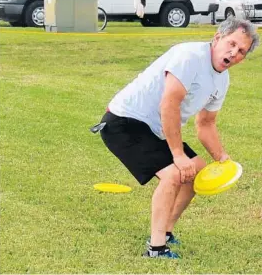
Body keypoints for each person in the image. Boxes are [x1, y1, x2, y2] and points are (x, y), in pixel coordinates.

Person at [96, 18, 259, 259]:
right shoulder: (190, 56)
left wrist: (221, 157)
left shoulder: (222, 80)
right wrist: (178, 155)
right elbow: (169, 105)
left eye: (241, 51)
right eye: (231, 44)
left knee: (198, 171)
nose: (233, 53)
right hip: (123, 121)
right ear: (217, 38)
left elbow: (206, 123)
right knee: (174, 174)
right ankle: (156, 248)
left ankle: (166, 231)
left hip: (156, 128)